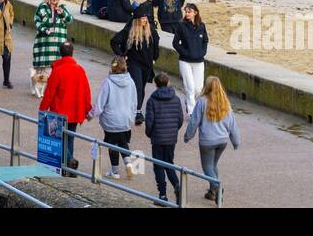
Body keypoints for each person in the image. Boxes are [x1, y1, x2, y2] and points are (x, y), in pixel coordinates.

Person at [184, 75, 239, 203]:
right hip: (222, 141)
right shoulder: (226, 102)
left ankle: (217, 187)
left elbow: (194, 122)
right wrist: (235, 141)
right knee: (213, 164)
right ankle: (212, 192)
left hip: (207, 141)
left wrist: (188, 136)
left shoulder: (202, 102)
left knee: (207, 166)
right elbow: (232, 124)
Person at [39, 41, 92, 172]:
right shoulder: (80, 70)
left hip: (59, 111)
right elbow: (86, 92)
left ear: (60, 53)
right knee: (70, 138)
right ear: (72, 52)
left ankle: (68, 161)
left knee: (60, 140)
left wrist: (43, 110)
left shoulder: (57, 70)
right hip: (75, 111)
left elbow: (49, 92)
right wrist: (87, 109)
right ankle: (69, 166)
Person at [90, 56, 138, 178]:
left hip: (111, 120)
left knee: (112, 145)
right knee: (123, 141)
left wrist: (91, 114)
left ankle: (115, 171)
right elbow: (134, 102)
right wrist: (131, 117)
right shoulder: (131, 82)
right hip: (125, 119)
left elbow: (100, 103)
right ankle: (128, 164)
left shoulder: (108, 82)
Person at [144, 72, 184, 202]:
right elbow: (180, 119)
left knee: (158, 166)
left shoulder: (152, 100)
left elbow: (149, 121)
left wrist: (150, 133)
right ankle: (177, 185)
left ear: (155, 84)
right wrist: (173, 131)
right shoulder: (176, 99)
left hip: (157, 138)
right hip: (171, 138)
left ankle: (162, 195)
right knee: (169, 163)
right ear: (168, 83)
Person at [113, 12, 159, 122]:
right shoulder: (129, 31)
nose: (145, 20)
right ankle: (137, 111)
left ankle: (135, 108)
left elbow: (156, 45)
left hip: (147, 64)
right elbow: (114, 41)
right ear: (137, 19)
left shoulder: (151, 30)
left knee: (141, 87)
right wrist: (122, 56)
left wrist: (154, 59)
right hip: (134, 63)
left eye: (146, 17)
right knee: (137, 85)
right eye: (142, 18)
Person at [31, 0, 72, 94]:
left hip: (58, 42)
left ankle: (53, 88)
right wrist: (44, 29)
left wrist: (62, 13)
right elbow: (36, 21)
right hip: (44, 41)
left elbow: (70, 19)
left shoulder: (63, 8)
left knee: (56, 67)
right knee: (41, 66)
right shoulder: (42, 7)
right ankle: (37, 87)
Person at [172, 3, 209, 104]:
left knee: (198, 89)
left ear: (195, 13)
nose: (187, 14)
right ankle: (192, 112)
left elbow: (205, 40)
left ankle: (189, 101)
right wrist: (185, 53)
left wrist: (202, 52)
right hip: (185, 61)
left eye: (189, 12)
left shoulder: (202, 26)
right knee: (190, 87)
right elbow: (175, 43)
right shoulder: (181, 25)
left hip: (199, 61)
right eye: (186, 12)